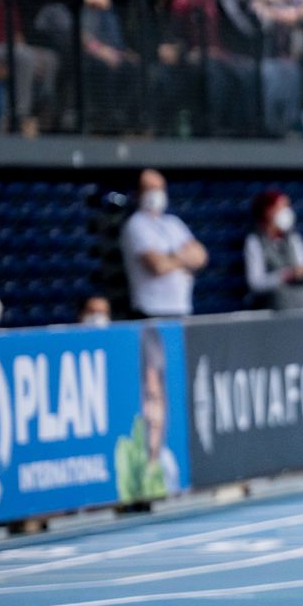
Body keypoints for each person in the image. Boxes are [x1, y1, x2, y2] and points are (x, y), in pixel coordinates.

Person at [122, 170, 207, 317]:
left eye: (159, 188)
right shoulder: (136, 223)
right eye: (149, 188)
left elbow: (201, 257)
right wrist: (184, 258)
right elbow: (158, 266)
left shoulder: (174, 223)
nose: (156, 193)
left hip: (181, 308)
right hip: (151, 310)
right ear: (138, 193)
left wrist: (170, 257)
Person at [115, 325, 180, 501]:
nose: (150, 415)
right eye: (145, 400)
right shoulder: (124, 458)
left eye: (155, 399)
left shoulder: (169, 466)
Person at [244, 190, 303, 310]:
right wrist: (285, 276)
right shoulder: (254, 241)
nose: (287, 211)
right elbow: (256, 283)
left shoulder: (293, 238)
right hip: (276, 311)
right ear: (268, 211)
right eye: (282, 207)